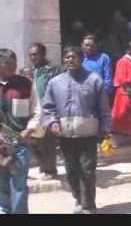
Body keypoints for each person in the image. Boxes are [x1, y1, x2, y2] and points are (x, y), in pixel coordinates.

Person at [42, 46, 112, 214]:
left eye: (73, 57)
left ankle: (88, 205)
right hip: (65, 135)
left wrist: (105, 130)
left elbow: (103, 108)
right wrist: (52, 122)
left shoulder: (94, 80)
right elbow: (48, 108)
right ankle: (78, 199)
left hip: (88, 134)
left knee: (87, 170)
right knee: (71, 169)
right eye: (66, 57)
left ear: (81, 59)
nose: (70, 60)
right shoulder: (55, 82)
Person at [20, 43, 64, 180]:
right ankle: (43, 166)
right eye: (31, 55)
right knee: (33, 142)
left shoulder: (54, 70)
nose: (33, 57)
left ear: (43, 54)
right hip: (32, 112)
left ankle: (50, 170)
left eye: (36, 54)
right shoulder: (26, 71)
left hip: (48, 111)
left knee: (47, 142)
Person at [0, 49, 36, 214]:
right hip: (0, 144)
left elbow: (37, 110)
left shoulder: (26, 83)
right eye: (9, 64)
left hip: (19, 143)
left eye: (15, 63)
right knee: (1, 183)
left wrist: (29, 129)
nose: (14, 67)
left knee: (19, 184)